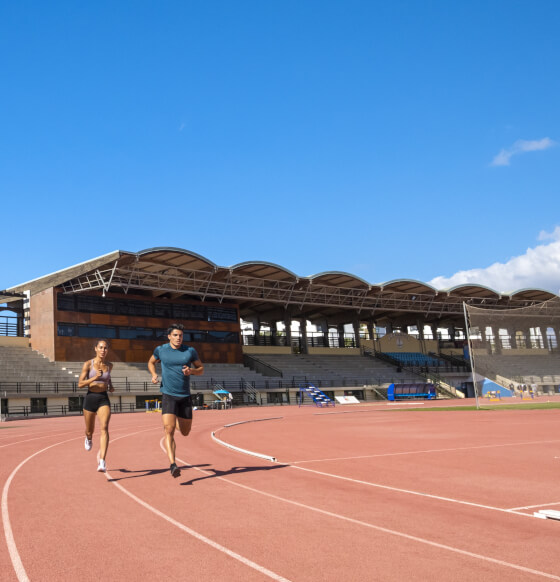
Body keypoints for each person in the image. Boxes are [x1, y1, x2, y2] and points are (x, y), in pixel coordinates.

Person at [148, 323, 204, 478]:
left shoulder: (189, 351)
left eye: (180, 335)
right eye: (175, 335)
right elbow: (151, 362)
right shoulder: (161, 350)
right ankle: (173, 464)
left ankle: (177, 421)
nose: (178, 338)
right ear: (169, 336)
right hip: (168, 394)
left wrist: (191, 371)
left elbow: (201, 369)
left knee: (185, 432)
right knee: (168, 430)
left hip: (185, 396)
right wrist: (153, 374)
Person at [78, 339, 114, 472]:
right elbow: (80, 384)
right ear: (95, 349)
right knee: (90, 430)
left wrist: (110, 386)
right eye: (101, 347)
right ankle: (88, 438)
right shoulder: (88, 364)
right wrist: (94, 378)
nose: (103, 350)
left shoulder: (110, 365)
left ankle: (102, 461)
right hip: (90, 398)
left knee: (104, 427)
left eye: (105, 348)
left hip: (103, 398)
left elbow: (108, 378)